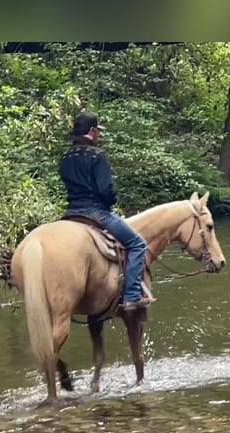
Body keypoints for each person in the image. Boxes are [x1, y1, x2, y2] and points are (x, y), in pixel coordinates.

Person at [59, 111, 153, 311]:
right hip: (95, 212)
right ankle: (132, 295)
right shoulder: (97, 155)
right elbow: (105, 190)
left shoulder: (66, 156)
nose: (99, 135)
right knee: (138, 244)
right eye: (98, 131)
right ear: (92, 131)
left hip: (70, 213)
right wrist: (111, 202)